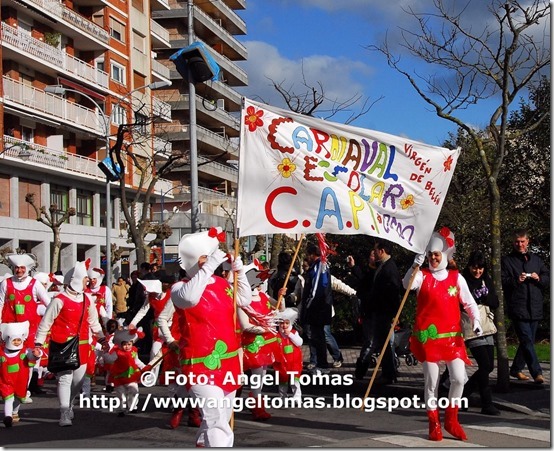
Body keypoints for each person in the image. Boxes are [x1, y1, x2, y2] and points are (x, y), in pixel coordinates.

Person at [170, 227, 252, 447]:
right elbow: (189, 299)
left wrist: (240, 272)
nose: (212, 262)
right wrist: (208, 268)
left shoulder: (221, 283)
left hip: (228, 363)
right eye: (206, 257)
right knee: (216, 420)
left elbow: (244, 300)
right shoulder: (180, 288)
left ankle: (202, 444)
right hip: (200, 365)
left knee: (220, 419)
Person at [403, 227, 481, 441]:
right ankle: (433, 422)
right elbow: (406, 285)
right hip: (429, 340)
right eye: (430, 255)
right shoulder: (422, 276)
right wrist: (414, 265)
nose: (433, 258)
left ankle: (452, 419)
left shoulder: (457, 278)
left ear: (445, 255)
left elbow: (469, 302)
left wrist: (476, 320)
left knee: (458, 379)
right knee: (432, 383)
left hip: (452, 340)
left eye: (436, 254)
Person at [34, 259, 108, 427]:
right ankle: (64, 412)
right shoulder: (58, 300)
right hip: (61, 345)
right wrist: (38, 344)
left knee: (78, 382)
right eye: (85, 279)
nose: (87, 282)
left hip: (82, 346)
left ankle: (70, 401)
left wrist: (102, 338)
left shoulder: (87, 300)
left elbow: (94, 322)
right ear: (76, 279)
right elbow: (45, 323)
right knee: (65, 379)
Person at [501, 229, 550, 384]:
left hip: (534, 306)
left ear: (528, 241)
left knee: (526, 341)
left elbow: (547, 278)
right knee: (527, 340)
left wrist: (539, 278)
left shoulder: (536, 260)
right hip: (518, 306)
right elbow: (503, 281)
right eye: (517, 242)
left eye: (522, 241)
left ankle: (516, 369)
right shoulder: (507, 260)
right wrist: (517, 280)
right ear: (513, 243)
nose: (520, 244)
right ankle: (537, 372)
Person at [354, 240, 402, 383]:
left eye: (375, 250)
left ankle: (389, 374)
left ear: (382, 251)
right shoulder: (382, 266)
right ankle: (388, 373)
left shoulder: (389, 268)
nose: (374, 253)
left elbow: (394, 292)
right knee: (383, 344)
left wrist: (395, 313)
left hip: (384, 311)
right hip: (378, 311)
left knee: (385, 344)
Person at [239, 263, 282, 421]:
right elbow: (245, 326)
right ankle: (254, 403)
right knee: (251, 375)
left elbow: (279, 307)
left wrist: (280, 296)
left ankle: (256, 402)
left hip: (266, 342)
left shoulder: (263, 296)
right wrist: (266, 328)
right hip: (251, 343)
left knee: (261, 374)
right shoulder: (242, 301)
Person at [460, 250, 500, 415]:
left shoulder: (486, 280)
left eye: (480, 268)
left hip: (486, 325)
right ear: (469, 267)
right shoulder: (462, 280)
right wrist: (473, 300)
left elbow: (495, 302)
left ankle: (467, 396)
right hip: (471, 327)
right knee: (485, 364)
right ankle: (483, 401)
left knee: (489, 366)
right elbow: (459, 303)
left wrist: (483, 297)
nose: (477, 271)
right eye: (474, 268)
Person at [0, 321, 42, 427]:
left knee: (18, 397)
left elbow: (33, 356)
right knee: (8, 398)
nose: (17, 342)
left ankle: (14, 412)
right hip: (6, 380)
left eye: (19, 340)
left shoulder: (25, 351)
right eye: (14, 340)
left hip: (21, 380)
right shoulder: (2, 352)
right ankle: (8, 416)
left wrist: (37, 354)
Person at [300, 243, 333, 373]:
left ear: (313, 255)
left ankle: (322, 365)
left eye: (308, 254)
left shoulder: (319, 266)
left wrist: (307, 305)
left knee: (318, 337)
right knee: (317, 336)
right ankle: (321, 363)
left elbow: (316, 289)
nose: (307, 257)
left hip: (317, 308)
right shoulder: (318, 266)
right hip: (319, 307)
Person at [101, 328, 146, 417]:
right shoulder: (117, 352)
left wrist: (145, 367)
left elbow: (137, 361)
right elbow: (110, 359)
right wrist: (105, 353)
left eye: (129, 344)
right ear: (121, 344)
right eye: (124, 344)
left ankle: (133, 406)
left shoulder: (134, 351)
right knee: (120, 394)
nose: (127, 346)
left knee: (133, 391)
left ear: (132, 343)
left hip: (131, 376)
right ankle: (121, 409)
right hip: (119, 378)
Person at [348, 249, 377, 379]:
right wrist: (353, 267)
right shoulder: (368, 271)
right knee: (369, 342)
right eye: (372, 254)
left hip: (380, 312)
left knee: (389, 343)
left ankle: (390, 370)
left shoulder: (382, 270)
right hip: (369, 312)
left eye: (375, 254)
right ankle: (361, 370)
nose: (373, 256)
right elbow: (362, 281)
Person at [274, 308, 303, 402]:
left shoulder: (294, 333)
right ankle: (282, 397)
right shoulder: (276, 335)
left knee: (295, 380)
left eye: (287, 323)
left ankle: (297, 397)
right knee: (282, 381)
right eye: (282, 323)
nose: (284, 325)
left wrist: (290, 335)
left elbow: (299, 342)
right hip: (281, 363)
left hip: (294, 362)